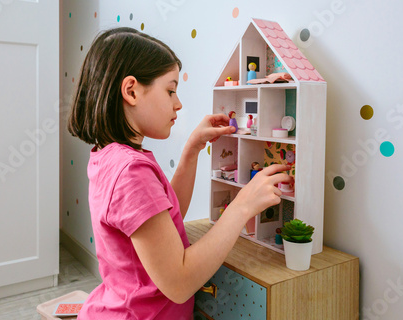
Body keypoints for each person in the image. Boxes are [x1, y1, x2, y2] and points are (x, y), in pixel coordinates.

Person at [67, 27, 292, 320]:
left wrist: (191, 151)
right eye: (170, 90)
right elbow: (180, 282)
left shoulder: (111, 156)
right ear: (132, 91)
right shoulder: (131, 171)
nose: (178, 103)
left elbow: (164, 224)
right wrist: (242, 206)